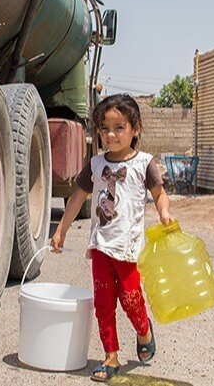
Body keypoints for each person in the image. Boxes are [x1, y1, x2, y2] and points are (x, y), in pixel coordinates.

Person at [50, 94, 173, 382]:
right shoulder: (94, 165)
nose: (111, 134)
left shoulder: (144, 163)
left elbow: (159, 194)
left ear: (136, 129)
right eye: (104, 128)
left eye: (119, 127)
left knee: (130, 299)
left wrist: (165, 214)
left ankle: (143, 331)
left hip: (128, 250)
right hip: (101, 246)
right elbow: (77, 197)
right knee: (104, 304)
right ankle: (111, 357)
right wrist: (61, 229)